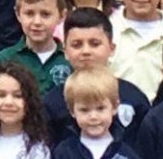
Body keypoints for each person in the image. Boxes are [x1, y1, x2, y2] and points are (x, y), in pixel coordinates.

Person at [43, 8, 149, 144]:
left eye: (95, 44)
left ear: (111, 48)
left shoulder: (133, 98)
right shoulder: (53, 103)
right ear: (65, 51)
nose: (86, 51)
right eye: (77, 45)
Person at [0, 0, 71, 94]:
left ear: (62, 16)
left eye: (45, 14)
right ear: (18, 14)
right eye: (29, 13)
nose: (37, 22)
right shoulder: (6, 58)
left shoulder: (70, 59)